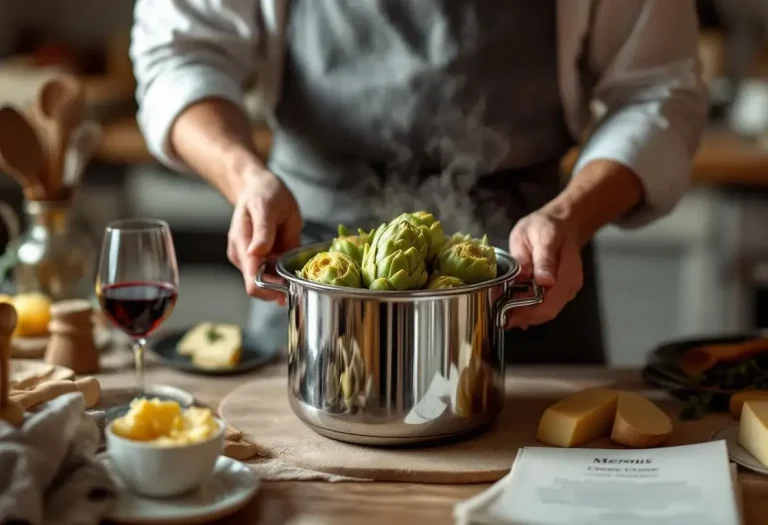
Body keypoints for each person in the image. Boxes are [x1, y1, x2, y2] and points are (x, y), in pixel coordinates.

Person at [130, 0, 708, 364]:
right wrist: (246, 177)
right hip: (310, 262)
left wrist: (571, 216)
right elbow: (179, 53)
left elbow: (659, 91)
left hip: (525, 275)